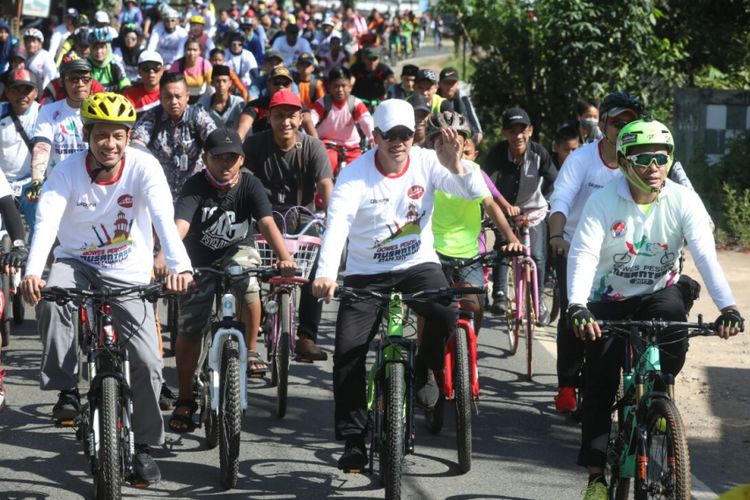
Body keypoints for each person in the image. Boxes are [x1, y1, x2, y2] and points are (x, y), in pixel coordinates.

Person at [19, 92, 194, 486]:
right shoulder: (65, 172)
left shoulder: (145, 168)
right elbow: (45, 223)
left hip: (128, 270)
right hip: (75, 262)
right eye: (101, 135)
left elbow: (165, 220)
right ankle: (66, 390)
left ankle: (145, 446)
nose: (109, 144)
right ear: (87, 135)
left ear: (128, 136)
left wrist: (179, 266)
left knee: (148, 363)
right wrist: (33, 272)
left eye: (118, 135)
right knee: (49, 298)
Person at [567, 119, 744, 499]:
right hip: (607, 298)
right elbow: (582, 255)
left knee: (676, 332)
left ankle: (661, 393)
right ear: (626, 161)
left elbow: (706, 257)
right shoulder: (603, 201)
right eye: (644, 158)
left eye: (662, 158)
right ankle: (596, 478)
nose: (654, 167)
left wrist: (728, 306)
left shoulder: (683, 200)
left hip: (657, 291)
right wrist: (577, 305)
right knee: (599, 382)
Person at [310, 98, 489, 470]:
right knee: (348, 352)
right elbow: (338, 224)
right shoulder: (354, 174)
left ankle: (424, 366)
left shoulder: (427, 161)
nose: (398, 143)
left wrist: (457, 164)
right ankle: (354, 438)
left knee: (444, 312)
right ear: (375, 136)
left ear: (414, 136)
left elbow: (471, 190)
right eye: (389, 135)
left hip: (417, 264)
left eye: (405, 135)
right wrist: (326, 272)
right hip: (365, 272)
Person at [549, 91, 701, 414]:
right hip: (583, 248)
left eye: (631, 121)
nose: (624, 127)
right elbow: (560, 200)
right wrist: (557, 235)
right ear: (602, 123)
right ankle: (568, 383)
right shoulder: (581, 159)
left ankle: (658, 398)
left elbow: (688, 195)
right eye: (617, 122)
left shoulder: (654, 154)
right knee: (572, 312)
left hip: (634, 253)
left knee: (663, 321)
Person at [166, 127, 296, 432]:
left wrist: (283, 257)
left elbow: (265, 222)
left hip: (238, 251)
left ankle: (250, 350)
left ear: (242, 159)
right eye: (219, 157)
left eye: (232, 158)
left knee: (249, 284)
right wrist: (165, 260)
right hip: (199, 261)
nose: (226, 164)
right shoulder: (195, 185)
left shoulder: (249, 183)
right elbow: (180, 226)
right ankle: (185, 399)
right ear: (205, 158)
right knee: (189, 327)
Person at [243, 89, 332, 361]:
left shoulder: (312, 147)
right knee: (246, 270)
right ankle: (249, 331)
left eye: (292, 116)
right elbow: (241, 177)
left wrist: (330, 214)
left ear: (301, 118)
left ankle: (306, 336)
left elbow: (326, 184)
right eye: (279, 116)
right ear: (269, 117)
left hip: (302, 219)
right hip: (262, 217)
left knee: (316, 265)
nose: (286, 122)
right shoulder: (255, 145)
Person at [425, 111, 521, 336]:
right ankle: (425, 362)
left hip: (468, 254)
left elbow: (491, 205)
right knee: (430, 311)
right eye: (441, 141)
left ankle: (469, 354)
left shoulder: (473, 171)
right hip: (432, 253)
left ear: (465, 143)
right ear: (431, 145)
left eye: (455, 141)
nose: (448, 146)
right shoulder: (426, 170)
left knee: (475, 308)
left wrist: (512, 239)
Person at [484, 107, 557, 324]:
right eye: (512, 131)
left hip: (534, 210)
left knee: (538, 256)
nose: (518, 136)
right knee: (504, 247)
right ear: (504, 133)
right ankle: (499, 294)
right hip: (503, 207)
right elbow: (489, 188)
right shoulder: (496, 154)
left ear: (530, 131)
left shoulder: (539, 153)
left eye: (522, 130)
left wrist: (543, 199)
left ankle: (539, 301)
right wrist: (505, 208)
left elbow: (554, 179)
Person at [131, 72, 217, 199]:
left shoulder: (197, 115)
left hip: (194, 193)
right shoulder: (153, 116)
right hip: (159, 193)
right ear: (160, 98)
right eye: (168, 97)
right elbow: (136, 143)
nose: (173, 102)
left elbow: (215, 140)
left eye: (178, 96)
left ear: (187, 96)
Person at [29, 54, 94, 199]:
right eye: (73, 79)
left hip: (92, 189)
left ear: (91, 82)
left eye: (85, 79)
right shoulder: (48, 111)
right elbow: (42, 147)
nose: (80, 84)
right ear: (62, 82)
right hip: (58, 189)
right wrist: (37, 181)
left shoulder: (101, 111)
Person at [311, 66, 373, 178]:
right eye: (336, 86)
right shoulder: (322, 103)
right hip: (327, 144)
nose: (340, 90)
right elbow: (311, 119)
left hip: (351, 146)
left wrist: (372, 137)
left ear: (350, 86)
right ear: (329, 87)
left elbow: (366, 120)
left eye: (343, 86)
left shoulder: (355, 103)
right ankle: (323, 194)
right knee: (326, 168)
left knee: (359, 171)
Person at [0, 68, 41, 235]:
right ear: (7, 93)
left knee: (41, 225)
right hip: (2, 183)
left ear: (36, 92)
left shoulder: (44, 114)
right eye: (16, 89)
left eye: (27, 90)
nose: (22, 95)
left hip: (31, 183)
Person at [437, 67, 483, 143]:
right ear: (440, 84)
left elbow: (472, 117)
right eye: (446, 83)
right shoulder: (435, 99)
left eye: (452, 83)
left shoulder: (463, 99)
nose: (449, 87)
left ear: (457, 84)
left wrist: (477, 134)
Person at [88, 28, 131, 92]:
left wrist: (126, 89)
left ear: (108, 48)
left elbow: (124, 82)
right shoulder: (86, 65)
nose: (99, 51)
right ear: (91, 49)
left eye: (102, 47)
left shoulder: (114, 64)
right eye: (95, 48)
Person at [123, 50, 164, 117]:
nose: (151, 72)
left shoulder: (169, 92)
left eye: (156, 67)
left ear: (162, 70)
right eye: (146, 68)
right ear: (139, 71)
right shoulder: (130, 94)